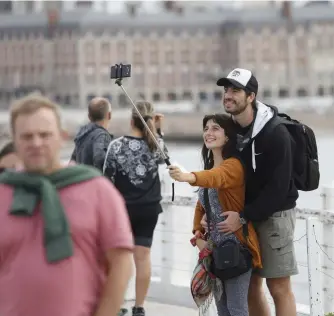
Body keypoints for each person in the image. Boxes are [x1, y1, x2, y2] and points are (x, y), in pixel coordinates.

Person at [0, 93, 134, 316]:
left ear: (61, 136)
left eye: (44, 134)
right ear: (14, 141)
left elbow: (121, 262)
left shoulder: (97, 190)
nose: (36, 143)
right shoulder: (3, 192)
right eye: (27, 136)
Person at [200, 68, 299, 316]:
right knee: (250, 287)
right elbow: (219, 174)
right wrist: (209, 213)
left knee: (278, 286)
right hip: (241, 218)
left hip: (273, 216)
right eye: (226, 90)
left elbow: (278, 188)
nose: (228, 95)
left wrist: (243, 216)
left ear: (251, 96)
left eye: (236, 90)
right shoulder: (230, 131)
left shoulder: (275, 133)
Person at [168, 114, 262, 316]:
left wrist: (187, 176)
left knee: (237, 309)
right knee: (222, 310)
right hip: (214, 250)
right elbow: (201, 206)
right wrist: (198, 231)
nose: (208, 133)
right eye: (206, 129)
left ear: (227, 136)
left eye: (215, 128)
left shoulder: (233, 166)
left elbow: (215, 178)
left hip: (235, 247)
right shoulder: (209, 169)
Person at [103, 101, 167, 316]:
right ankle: (139, 307)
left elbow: (107, 180)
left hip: (123, 210)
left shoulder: (116, 146)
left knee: (120, 258)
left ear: (131, 120)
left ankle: (118, 304)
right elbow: (163, 157)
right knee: (143, 256)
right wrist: (158, 130)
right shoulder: (156, 143)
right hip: (148, 209)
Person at [70, 96, 113, 171]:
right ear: (109, 115)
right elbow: (100, 158)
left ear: (89, 116)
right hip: (95, 180)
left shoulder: (81, 135)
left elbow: (72, 162)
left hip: (82, 180)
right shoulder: (102, 135)